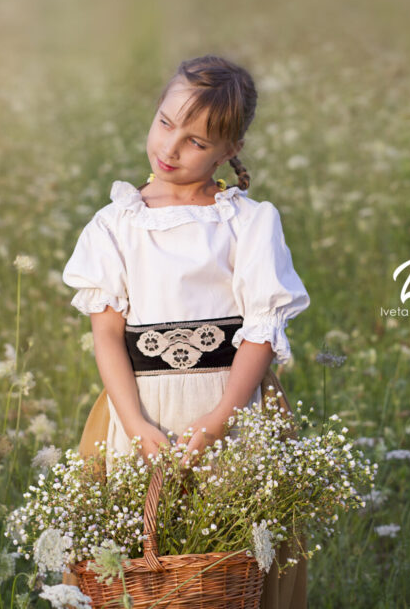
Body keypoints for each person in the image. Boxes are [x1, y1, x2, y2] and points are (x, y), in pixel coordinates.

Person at [61, 54, 310, 608]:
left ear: (230, 150)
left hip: (230, 407)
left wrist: (221, 419)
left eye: (195, 141)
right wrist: (135, 424)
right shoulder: (117, 223)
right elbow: (107, 336)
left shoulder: (246, 222)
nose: (170, 148)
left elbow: (260, 332)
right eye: (165, 123)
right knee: (137, 558)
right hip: (140, 408)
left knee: (231, 558)